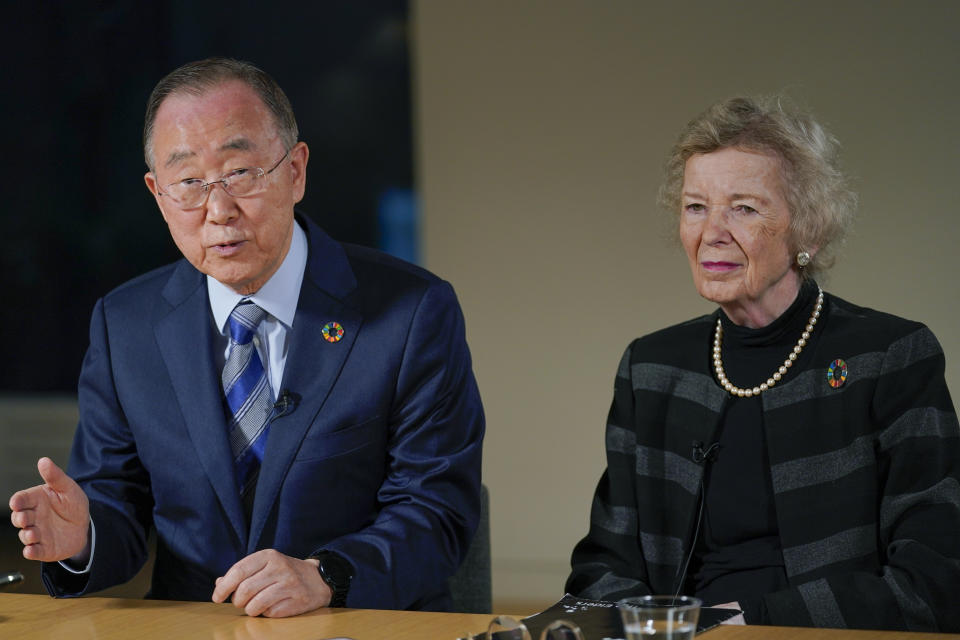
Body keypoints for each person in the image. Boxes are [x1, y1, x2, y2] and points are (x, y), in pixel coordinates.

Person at [8, 57, 485, 617]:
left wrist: (326, 575)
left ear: (296, 170)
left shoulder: (411, 312)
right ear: (158, 195)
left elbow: (437, 509)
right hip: (196, 630)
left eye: (240, 173)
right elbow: (119, 506)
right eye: (188, 182)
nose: (218, 209)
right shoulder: (125, 324)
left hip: (362, 623)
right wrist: (83, 538)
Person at [565, 96, 960, 631]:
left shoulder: (888, 357)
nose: (712, 232)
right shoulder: (653, 368)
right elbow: (601, 568)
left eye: (744, 208)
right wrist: (662, 628)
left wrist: (745, 621)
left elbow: (934, 580)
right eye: (696, 206)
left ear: (809, 231)